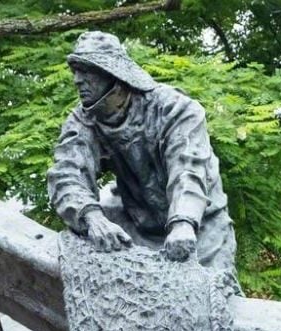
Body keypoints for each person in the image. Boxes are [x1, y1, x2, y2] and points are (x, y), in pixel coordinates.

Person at [47, 31, 237, 272]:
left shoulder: (174, 108)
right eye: (75, 71)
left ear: (111, 73)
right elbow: (67, 172)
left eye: (86, 71)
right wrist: (91, 217)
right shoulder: (84, 119)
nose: (77, 80)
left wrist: (183, 222)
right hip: (137, 224)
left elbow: (188, 168)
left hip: (199, 226)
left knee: (211, 296)